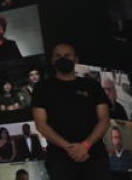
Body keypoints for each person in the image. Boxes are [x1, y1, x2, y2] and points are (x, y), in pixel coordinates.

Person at [33, 42, 112, 179]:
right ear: (52, 60)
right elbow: (41, 124)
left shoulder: (92, 85)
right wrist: (70, 148)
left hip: (94, 156)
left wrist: (85, 145)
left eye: (67, 55)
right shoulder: (42, 88)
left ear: (76, 59)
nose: (63, 58)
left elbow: (104, 119)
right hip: (59, 159)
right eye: (58, 56)